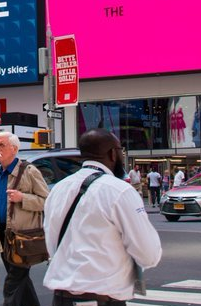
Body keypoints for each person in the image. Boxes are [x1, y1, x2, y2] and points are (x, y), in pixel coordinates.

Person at [43, 129, 161, 305]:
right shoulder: (119, 191)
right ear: (113, 153)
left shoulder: (58, 189)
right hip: (104, 295)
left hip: (63, 296)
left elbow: (52, 244)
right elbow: (147, 253)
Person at [0, 131, 50, 306]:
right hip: (3, 237)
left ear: (14, 149)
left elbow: (47, 201)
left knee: (13, 282)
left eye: (1, 145)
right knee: (21, 281)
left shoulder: (29, 172)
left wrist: (23, 198)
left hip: (23, 238)